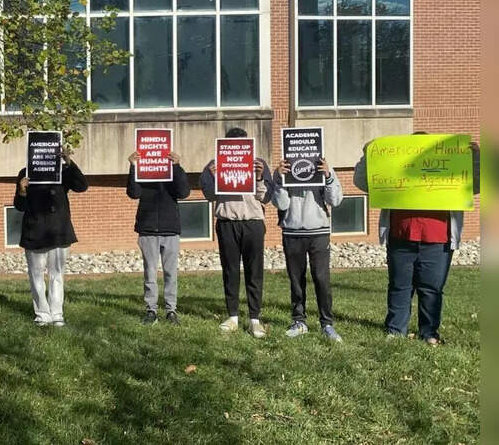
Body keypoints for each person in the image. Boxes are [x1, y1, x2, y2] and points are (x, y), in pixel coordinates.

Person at [354, 134, 480, 345]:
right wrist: (369, 157)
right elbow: (363, 182)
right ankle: (395, 331)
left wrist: (475, 158)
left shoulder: (450, 168)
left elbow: (475, 184)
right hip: (400, 236)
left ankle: (429, 333)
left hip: (438, 238)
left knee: (432, 288)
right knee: (399, 286)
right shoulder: (395, 170)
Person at [200, 127, 273, 338]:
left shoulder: (259, 164)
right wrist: (215, 176)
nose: (238, 149)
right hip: (227, 222)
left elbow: (266, 197)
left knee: (254, 271)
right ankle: (232, 316)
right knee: (230, 270)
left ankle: (254, 319)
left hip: (253, 222)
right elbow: (209, 195)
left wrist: (259, 177)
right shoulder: (213, 165)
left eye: (243, 144)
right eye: (233, 145)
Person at [14, 146, 88, 327]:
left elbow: (81, 186)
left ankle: (56, 313)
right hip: (34, 231)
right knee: (36, 274)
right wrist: (22, 190)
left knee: (57, 274)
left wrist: (68, 162)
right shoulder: (25, 173)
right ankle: (42, 314)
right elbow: (20, 206)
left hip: (58, 230)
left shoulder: (62, 171)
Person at [272, 157, 343, 342]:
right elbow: (281, 204)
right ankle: (299, 321)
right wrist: (280, 179)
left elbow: (335, 200)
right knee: (296, 279)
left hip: (319, 231)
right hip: (292, 231)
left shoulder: (324, 167)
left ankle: (327, 324)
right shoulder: (284, 169)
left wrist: (327, 175)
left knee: (321, 278)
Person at [126, 150, 190, 325]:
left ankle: (171, 310)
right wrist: (133, 167)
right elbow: (133, 193)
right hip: (147, 229)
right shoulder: (143, 172)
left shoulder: (172, 172)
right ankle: (151, 310)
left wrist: (176, 166)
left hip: (170, 229)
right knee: (150, 273)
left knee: (171, 273)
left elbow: (184, 192)